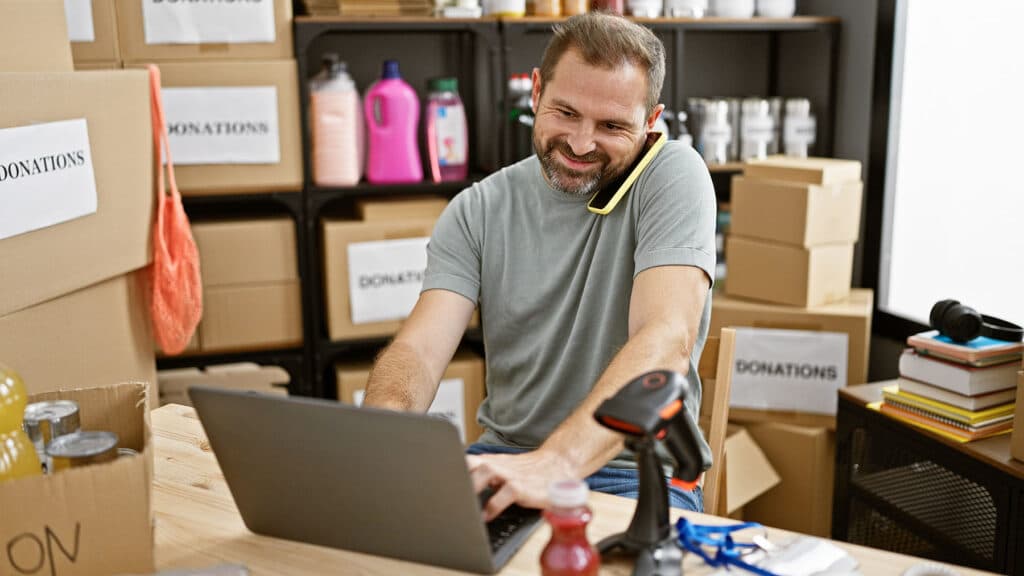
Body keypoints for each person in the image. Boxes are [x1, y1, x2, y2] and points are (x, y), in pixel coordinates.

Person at [363, 12, 716, 521]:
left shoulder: (672, 176)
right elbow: (419, 349)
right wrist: (384, 434)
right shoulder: (477, 208)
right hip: (503, 459)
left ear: (652, 121)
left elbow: (664, 339)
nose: (579, 143)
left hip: (632, 471)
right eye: (565, 112)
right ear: (535, 91)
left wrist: (557, 463)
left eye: (612, 126)